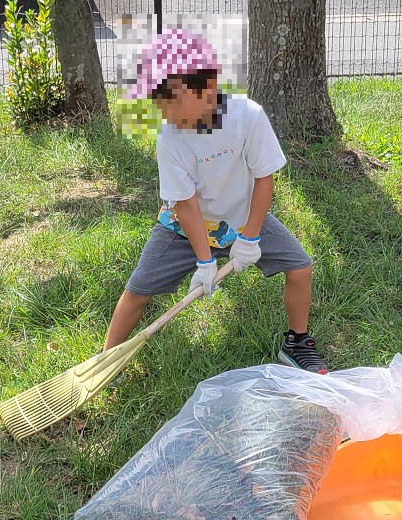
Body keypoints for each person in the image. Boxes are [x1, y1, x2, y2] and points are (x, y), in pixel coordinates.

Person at [103, 28, 327, 374]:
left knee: (301, 267)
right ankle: (106, 359)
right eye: (159, 102)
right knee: (138, 289)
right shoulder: (170, 139)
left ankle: (297, 342)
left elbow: (264, 177)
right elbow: (185, 204)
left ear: (208, 86)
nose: (167, 112)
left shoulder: (248, 117)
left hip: (242, 219)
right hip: (182, 228)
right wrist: (205, 261)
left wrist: (251, 237)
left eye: (173, 100)